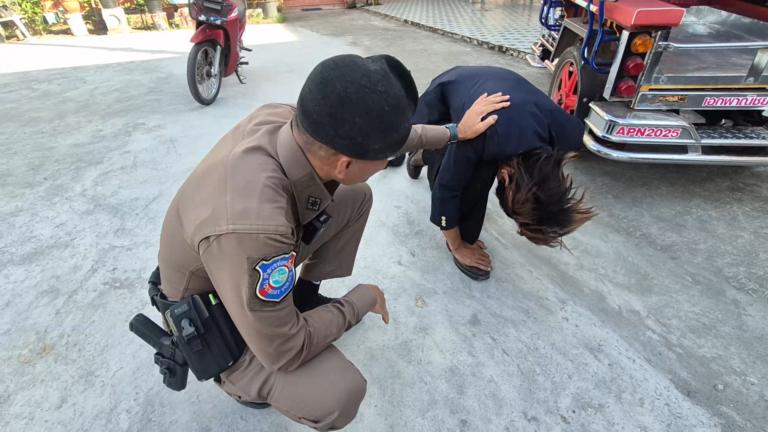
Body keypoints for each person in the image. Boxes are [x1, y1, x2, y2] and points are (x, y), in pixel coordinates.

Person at [154, 55, 509, 431]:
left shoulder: (295, 121)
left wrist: (454, 132)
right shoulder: (258, 227)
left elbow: (395, 137)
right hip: (211, 316)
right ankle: (239, 381)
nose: (389, 160)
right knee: (339, 394)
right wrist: (360, 301)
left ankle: (303, 298)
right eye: (385, 157)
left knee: (355, 197)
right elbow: (284, 349)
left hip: (229, 262)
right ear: (344, 164)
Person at [406, 66, 596, 281]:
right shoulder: (483, 132)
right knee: (472, 176)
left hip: (495, 88)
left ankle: (427, 153)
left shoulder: (569, 135)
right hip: (444, 99)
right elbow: (446, 190)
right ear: (505, 175)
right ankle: (424, 153)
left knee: (480, 162)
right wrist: (458, 245)